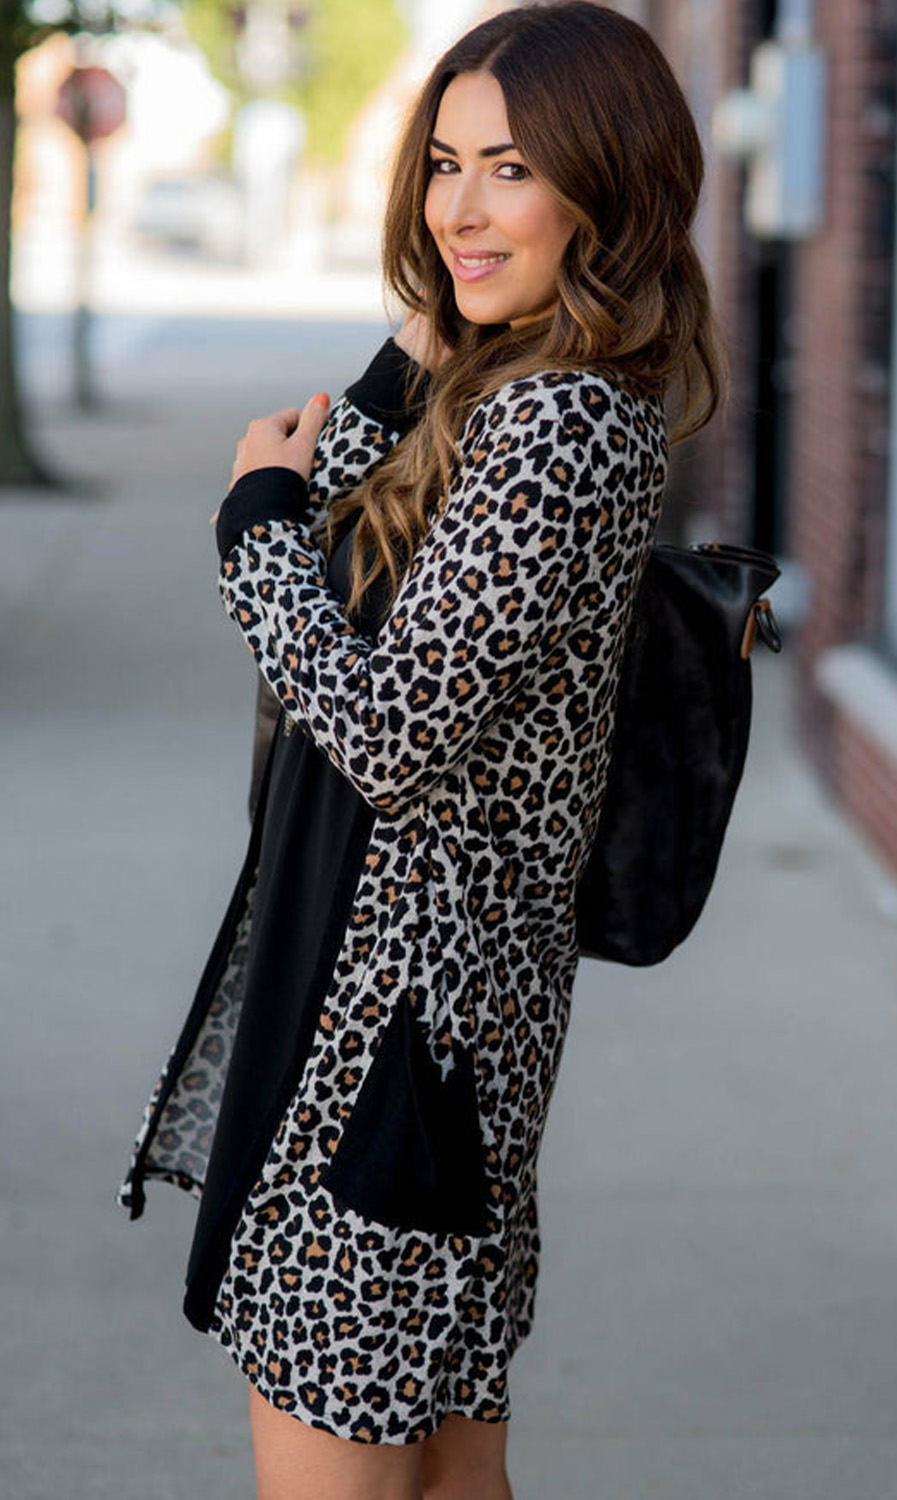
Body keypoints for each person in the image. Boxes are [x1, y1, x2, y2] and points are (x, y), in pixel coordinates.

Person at [116, 4, 727, 1496]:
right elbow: (343, 522)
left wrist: (249, 533)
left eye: (509, 168)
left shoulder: (561, 424)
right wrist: (408, 361)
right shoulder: (516, 390)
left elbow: (385, 732)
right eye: (445, 164)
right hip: (428, 1025)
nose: (459, 207)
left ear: (606, 182)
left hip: (396, 1045)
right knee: (448, 1471)